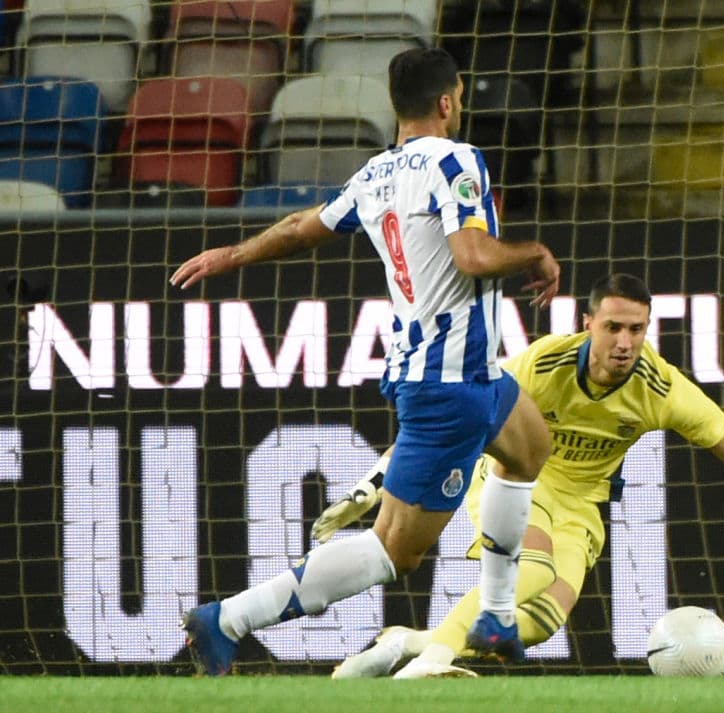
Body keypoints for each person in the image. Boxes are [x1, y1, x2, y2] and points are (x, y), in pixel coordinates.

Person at [315, 273, 724, 679]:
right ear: (588, 324)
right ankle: (436, 663)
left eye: (636, 329)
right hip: (509, 480)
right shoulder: (540, 363)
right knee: (528, 569)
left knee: (545, 617)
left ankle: (408, 642)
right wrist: (368, 489)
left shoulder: (660, 387)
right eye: (613, 327)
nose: (624, 341)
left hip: (581, 504)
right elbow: (447, 421)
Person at [169, 47, 560, 677]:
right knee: (393, 552)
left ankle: (495, 615)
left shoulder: (377, 174)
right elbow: (472, 256)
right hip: (446, 383)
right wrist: (536, 253)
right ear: (447, 101)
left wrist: (232, 254)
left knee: (529, 448)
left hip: (478, 373)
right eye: (458, 95)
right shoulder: (459, 159)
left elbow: (301, 226)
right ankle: (230, 618)